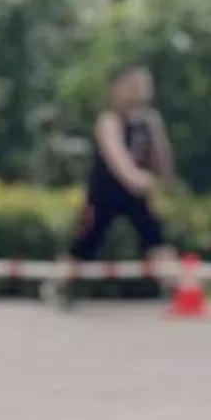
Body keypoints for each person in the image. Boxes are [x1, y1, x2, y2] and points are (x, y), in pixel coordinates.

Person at [49, 65, 177, 307]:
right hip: (103, 195)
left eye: (144, 85)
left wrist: (164, 180)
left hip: (136, 195)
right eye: (133, 85)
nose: (139, 90)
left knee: (156, 237)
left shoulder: (149, 121)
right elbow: (116, 156)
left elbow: (161, 156)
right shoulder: (109, 120)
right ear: (116, 89)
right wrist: (136, 178)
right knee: (83, 243)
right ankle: (59, 286)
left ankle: (174, 288)